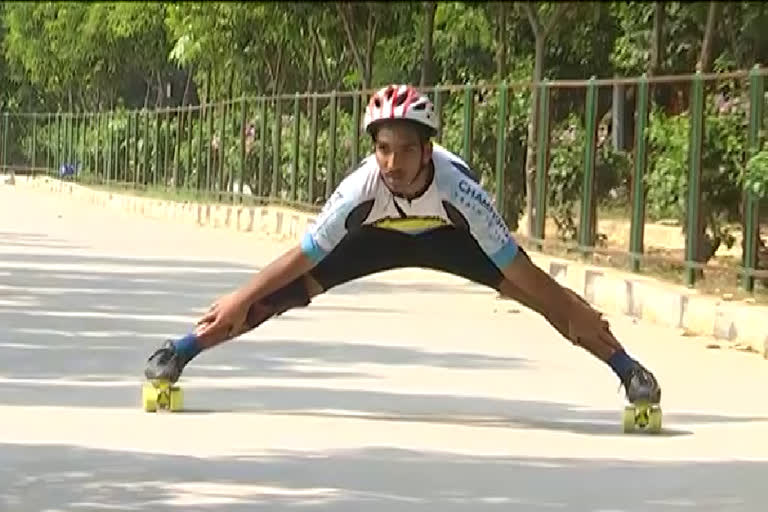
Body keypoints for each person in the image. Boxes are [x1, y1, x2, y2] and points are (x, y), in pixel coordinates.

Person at [144, 84, 661, 407]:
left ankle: (627, 369)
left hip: (449, 238)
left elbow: (521, 271)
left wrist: (573, 310)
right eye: (384, 150)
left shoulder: (461, 192)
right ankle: (182, 351)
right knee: (281, 294)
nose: (394, 164)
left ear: (428, 150)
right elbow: (302, 256)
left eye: (407, 151)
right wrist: (238, 298)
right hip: (377, 239)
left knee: (543, 301)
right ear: (374, 151)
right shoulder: (359, 190)